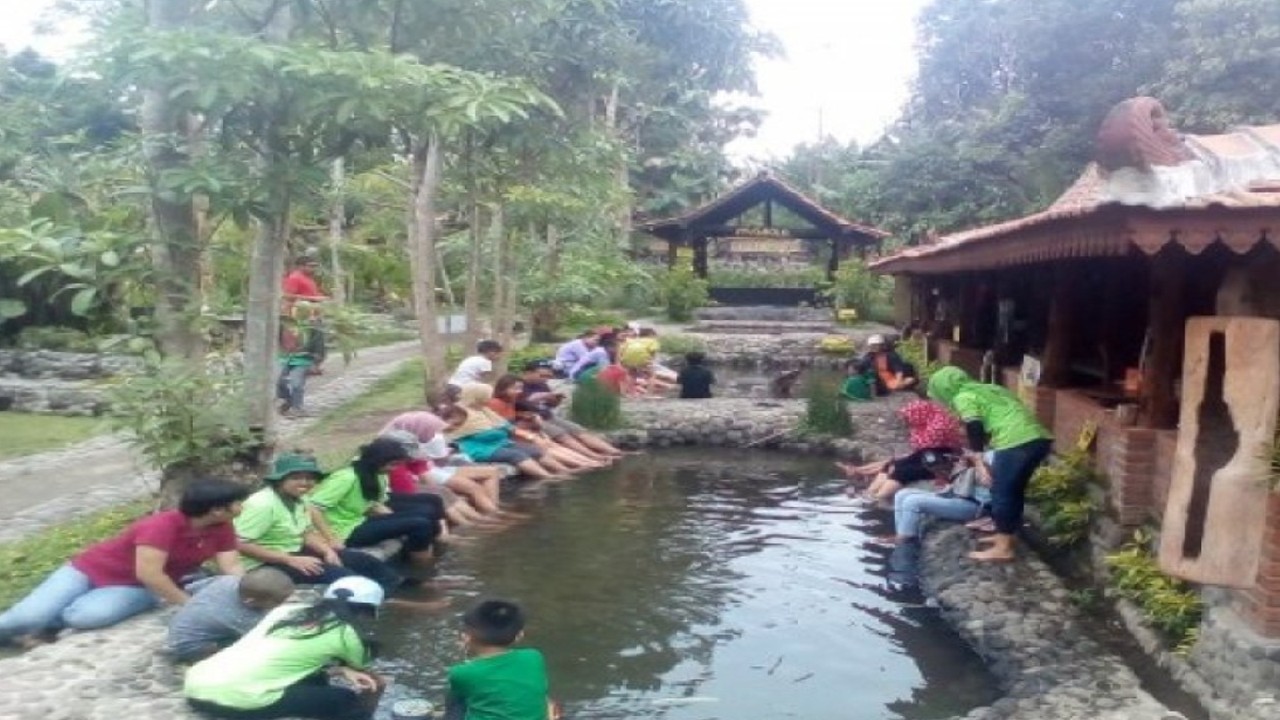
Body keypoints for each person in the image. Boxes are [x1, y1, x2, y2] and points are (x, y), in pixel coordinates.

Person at [0, 479, 248, 645]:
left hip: (135, 588)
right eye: (237, 502)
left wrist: (246, 592)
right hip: (88, 570)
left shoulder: (221, 527)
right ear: (217, 509)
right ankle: (35, 624)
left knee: (85, 617)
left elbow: (231, 566)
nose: (241, 506)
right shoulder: (162, 526)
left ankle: (48, 622)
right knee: (25, 618)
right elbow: (150, 573)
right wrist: (190, 604)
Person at [184, 576, 386, 720]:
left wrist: (341, 669)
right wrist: (348, 668)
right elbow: (362, 666)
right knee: (345, 699)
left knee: (315, 677)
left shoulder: (287, 611)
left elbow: (295, 653)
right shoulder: (346, 633)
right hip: (238, 703)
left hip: (196, 687)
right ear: (367, 611)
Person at [928, 366, 1053, 562]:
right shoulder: (991, 389)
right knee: (1014, 491)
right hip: (1038, 440)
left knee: (1001, 491)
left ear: (945, 388)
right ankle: (1006, 537)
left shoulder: (963, 396)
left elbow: (974, 426)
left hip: (1016, 442)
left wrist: (978, 458)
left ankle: (1003, 549)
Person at [236, 453, 404, 591]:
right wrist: (289, 560)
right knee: (344, 578)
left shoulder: (300, 500)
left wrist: (326, 550)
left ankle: (395, 592)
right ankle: (385, 604)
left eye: (310, 478)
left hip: (294, 550)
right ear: (280, 480)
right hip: (264, 564)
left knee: (364, 562)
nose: (304, 483)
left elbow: (306, 532)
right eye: (296, 477)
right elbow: (239, 543)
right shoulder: (262, 504)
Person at [308, 439, 443, 567]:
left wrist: (396, 520)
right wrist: (331, 539)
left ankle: (427, 555)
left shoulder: (377, 475)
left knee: (422, 519)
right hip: (343, 531)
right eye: (392, 464)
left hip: (357, 520)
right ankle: (423, 566)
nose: (394, 469)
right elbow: (312, 507)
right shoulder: (346, 477)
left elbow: (374, 504)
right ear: (377, 461)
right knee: (419, 524)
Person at [380, 412, 507, 520]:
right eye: (432, 430)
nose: (435, 433)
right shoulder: (397, 450)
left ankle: (493, 512)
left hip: (429, 470)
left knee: (491, 472)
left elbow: (425, 466)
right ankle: (488, 518)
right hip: (423, 476)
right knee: (468, 488)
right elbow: (426, 471)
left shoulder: (414, 442)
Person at [838, 398, 965, 503]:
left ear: (919, 413)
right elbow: (921, 451)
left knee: (902, 471)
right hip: (927, 455)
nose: (908, 420)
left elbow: (932, 449)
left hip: (940, 462)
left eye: (910, 417)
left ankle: (878, 497)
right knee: (892, 465)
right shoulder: (925, 423)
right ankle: (869, 493)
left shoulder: (938, 427)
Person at [445, 599, 552, 720]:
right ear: (519, 635)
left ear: (467, 637)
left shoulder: (461, 672)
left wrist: (466, 654)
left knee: (456, 699)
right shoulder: (534, 657)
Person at [168, 567, 296, 663]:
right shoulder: (240, 617)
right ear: (250, 601)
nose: (282, 604)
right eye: (278, 602)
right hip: (192, 646)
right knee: (257, 655)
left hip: (186, 625)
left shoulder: (228, 580)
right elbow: (266, 636)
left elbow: (192, 588)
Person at [444, 386, 564, 480]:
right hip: (478, 447)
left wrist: (506, 430)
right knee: (516, 455)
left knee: (534, 450)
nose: (488, 399)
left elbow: (505, 425)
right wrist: (501, 430)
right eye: (485, 396)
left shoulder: (483, 409)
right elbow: (480, 434)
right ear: (476, 396)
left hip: (499, 442)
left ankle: (563, 472)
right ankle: (548, 477)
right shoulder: (460, 412)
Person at [488, 375, 606, 469]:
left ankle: (586, 461)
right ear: (502, 389)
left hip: (518, 432)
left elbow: (511, 418)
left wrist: (527, 416)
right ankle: (581, 464)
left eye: (520, 388)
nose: (519, 391)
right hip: (510, 436)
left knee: (551, 444)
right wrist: (528, 432)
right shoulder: (495, 403)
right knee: (546, 446)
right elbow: (501, 424)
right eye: (515, 388)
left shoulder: (510, 402)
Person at [518, 361, 625, 459]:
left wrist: (555, 400)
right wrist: (545, 395)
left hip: (548, 415)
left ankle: (614, 451)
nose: (545, 379)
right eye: (542, 375)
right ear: (528, 372)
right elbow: (524, 401)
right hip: (532, 419)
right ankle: (594, 456)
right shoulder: (518, 385)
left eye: (548, 376)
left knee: (578, 430)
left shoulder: (542, 385)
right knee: (562, 434)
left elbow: (550, 405)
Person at [882, 456, 992, 546]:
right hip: (955, 495)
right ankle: (902, 533)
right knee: (902, 494)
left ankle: (906, 540)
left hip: (975, 505)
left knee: (912, 502)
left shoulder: (988, 460)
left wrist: (978, 464)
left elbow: (989, 485)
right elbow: (954, 481)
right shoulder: (967, 458)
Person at [278, 303, 327, 416]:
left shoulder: (313, 326)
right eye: (294, 309)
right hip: (284, 358)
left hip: (303, 360)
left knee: (296, 384)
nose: (295, 311)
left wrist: (316, 362)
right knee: (277, 381)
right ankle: (289, 400)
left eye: (298, 309)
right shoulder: (285, 323)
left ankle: (297, 408)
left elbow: (319, 345)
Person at [853, 335, 918, 395]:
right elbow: (862, 365)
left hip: (892, 378)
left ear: (882, 346)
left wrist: (899, 381)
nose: (874, 347)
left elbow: (898, 369)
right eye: (872, 345)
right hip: (878, 379)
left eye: (877, 345)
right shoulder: (869, 356)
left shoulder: (891, 355)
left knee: (909, 381)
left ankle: (900, 385)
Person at [282, 252, 328, 317]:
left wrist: (322, 298)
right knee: (304, 304)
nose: (314, 269)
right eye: (311, 266)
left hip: (312, 308)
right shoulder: (295, 277)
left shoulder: (309, 278)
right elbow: (287, 296)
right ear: (301, 266)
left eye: (315, 266)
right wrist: (312, 298)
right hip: (300, 309)